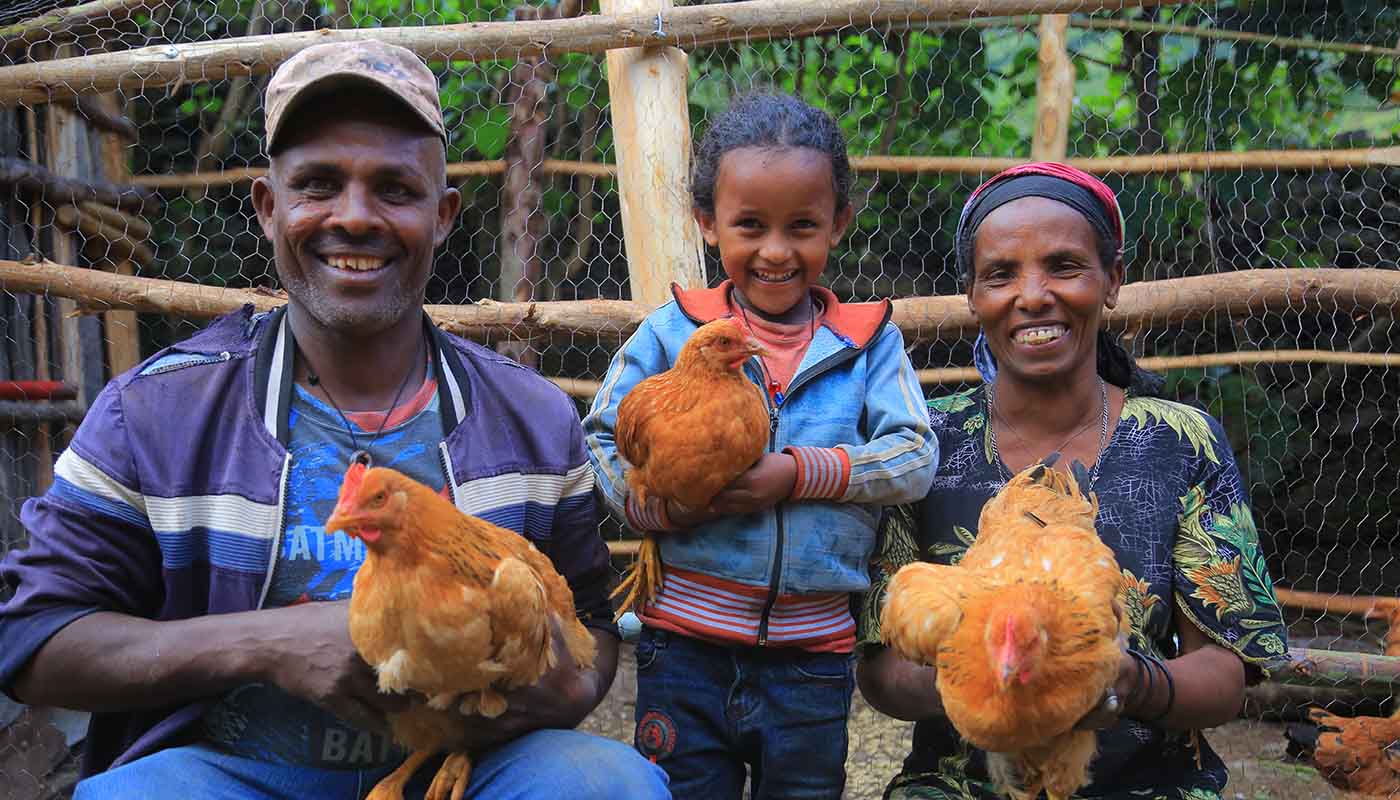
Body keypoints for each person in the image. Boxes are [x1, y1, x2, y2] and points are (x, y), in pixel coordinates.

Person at [0, 40, 668, 800]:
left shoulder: (532, 418)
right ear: (267, 206)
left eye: (394, 189)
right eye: (318, 184)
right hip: (229, 773)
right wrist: (264, 645)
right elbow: (31, 638)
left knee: (603, 785)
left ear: (443, 215)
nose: (354, 217)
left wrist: (561, 685)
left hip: (469, 765)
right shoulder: (154, 414)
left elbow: (592, 625)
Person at [856, 162, 1290, 799]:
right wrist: (994, 687)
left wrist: (1121, 682)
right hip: (959, 786)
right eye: (1001, 273)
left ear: (1112, 281)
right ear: (973, 296)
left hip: (1145, 786)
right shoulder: (921, 445)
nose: (1033, 295)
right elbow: (882, 669)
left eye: (1063, 266)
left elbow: (1225, 672)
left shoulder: (1180, 442)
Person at [583, 93, 937, 799]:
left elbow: (915, 457)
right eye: (750, 225)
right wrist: (650, 509)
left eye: (802, 226)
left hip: (811, 656)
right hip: (682, 643)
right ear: (708, 224)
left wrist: (800, 474)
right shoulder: (668, 332)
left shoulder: (867, 346)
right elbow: (600, 435)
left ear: (838, 224)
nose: (776, 251)